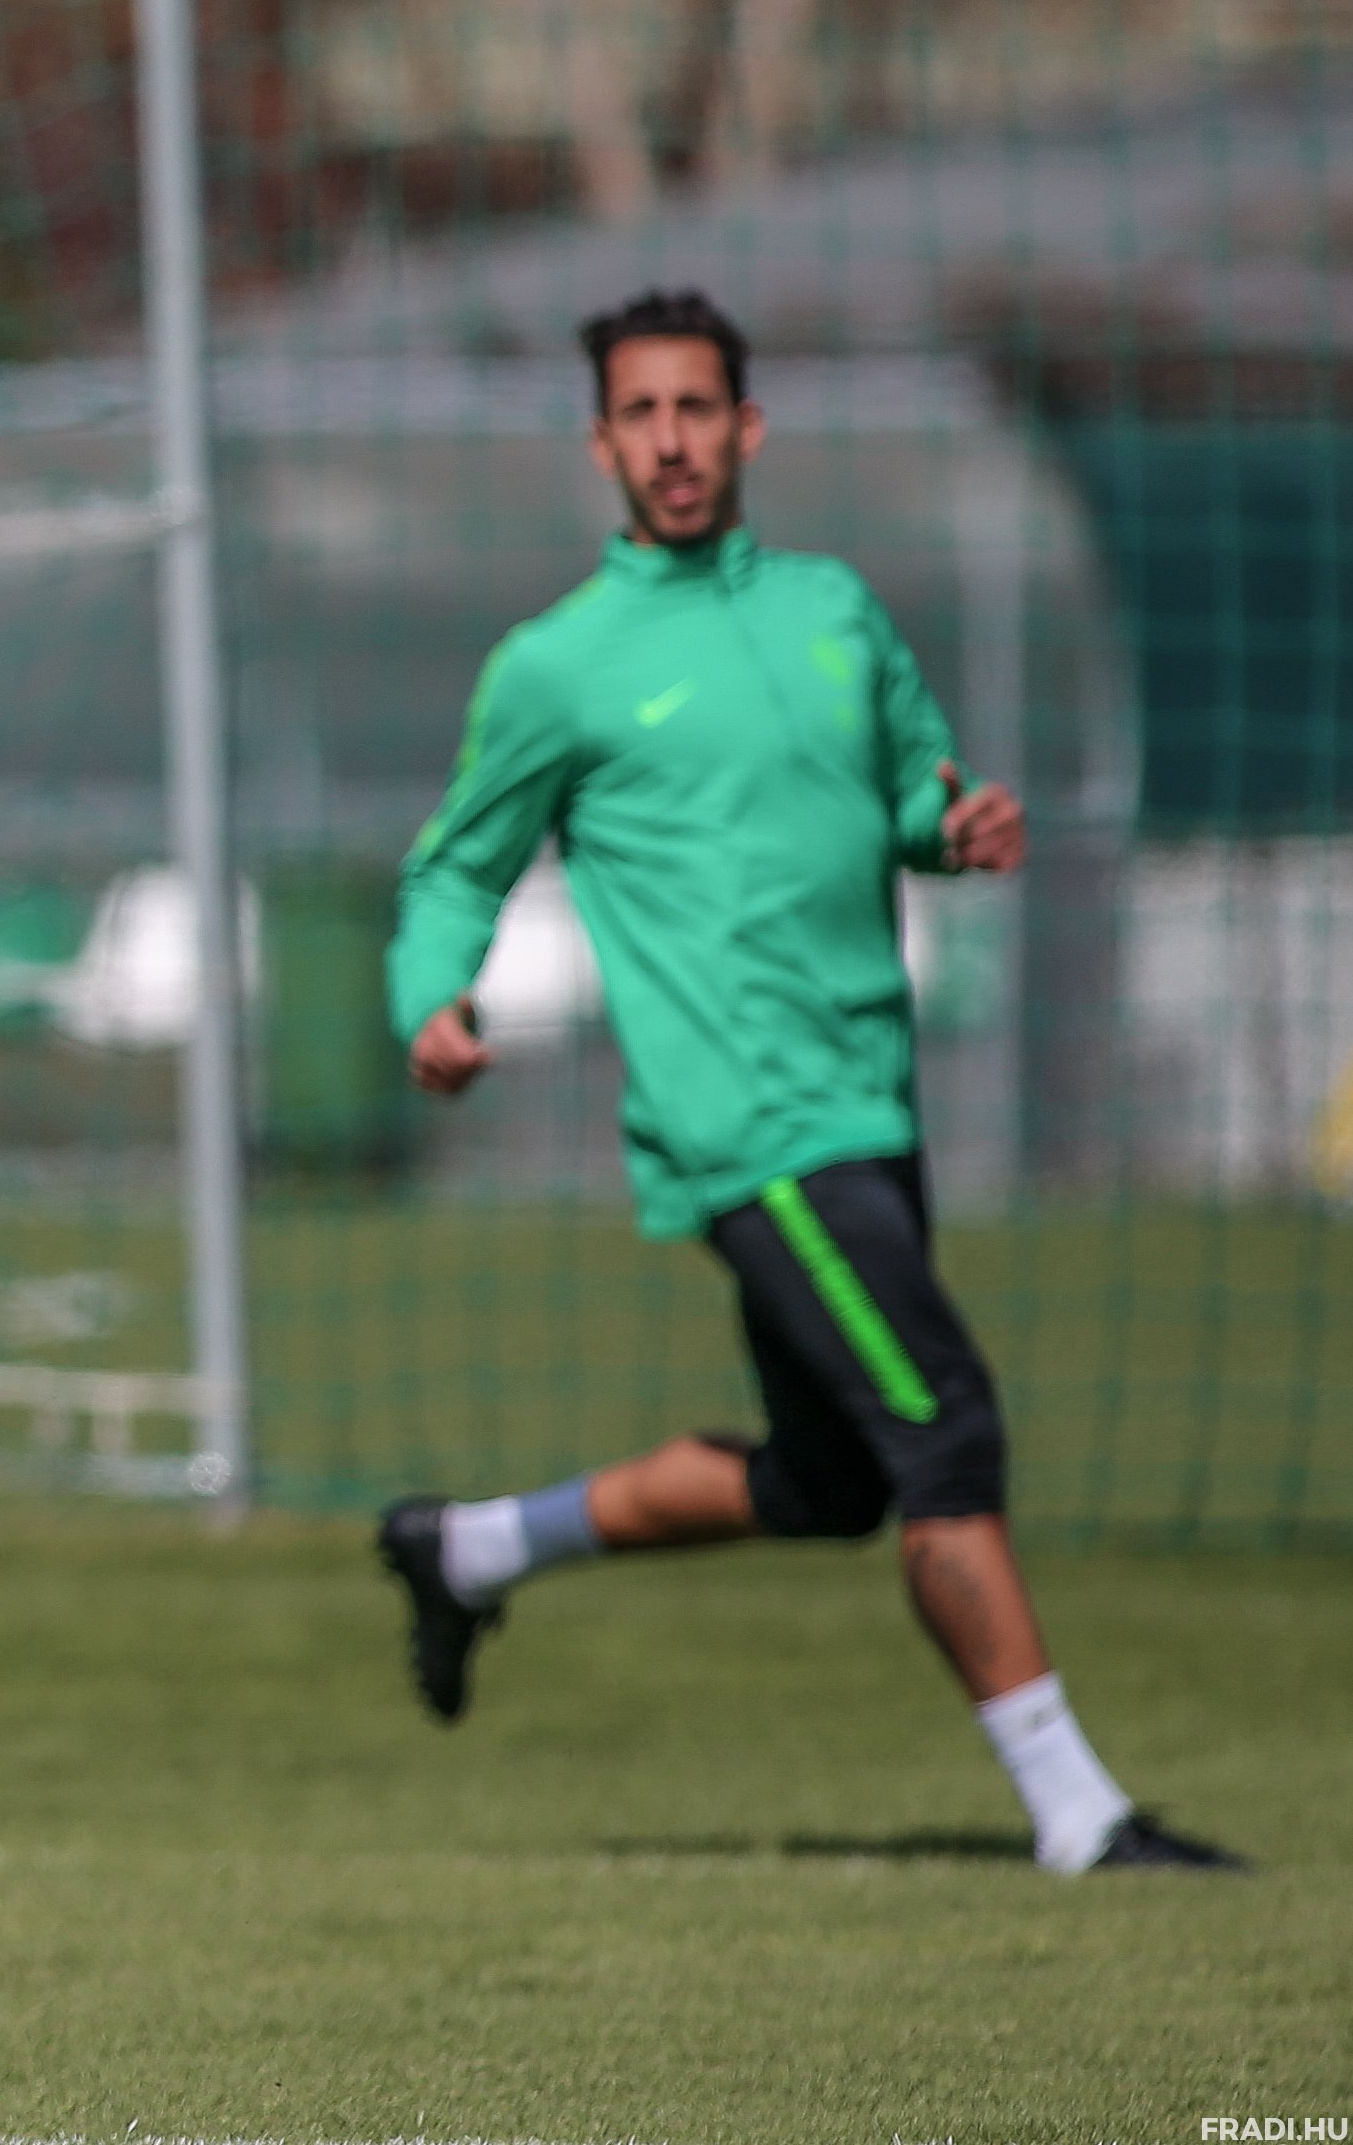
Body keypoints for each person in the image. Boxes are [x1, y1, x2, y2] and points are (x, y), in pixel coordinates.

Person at [373, 287, 1236, 1876]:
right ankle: (1079, 1813)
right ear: (602, 444)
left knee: (833, 1480)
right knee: (945, 1430)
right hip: (749, 1129)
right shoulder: (558, 666)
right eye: (641, 414)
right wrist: (430, 998)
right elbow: (452, 870)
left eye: (696, 409)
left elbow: (907, 788)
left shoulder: (835, 609)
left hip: (867, 1101)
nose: (672, 441)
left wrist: (954, 823)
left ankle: (470, 1547)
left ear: (747, 428)